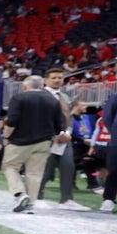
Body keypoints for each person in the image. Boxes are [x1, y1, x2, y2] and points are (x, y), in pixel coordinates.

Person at [0, 74, 63, 213]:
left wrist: (6, 136)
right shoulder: (53, 100)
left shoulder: (19, 98)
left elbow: (12, 120)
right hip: (44, 141)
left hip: (19, 141)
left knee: (10, 166)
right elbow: (60, 124)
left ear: (25, 86)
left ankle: (19, 193)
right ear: (42, 85)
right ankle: (30, 204)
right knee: (35, 173)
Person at [36, 67, 86, 209]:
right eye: (54, 77)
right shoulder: (40, 95)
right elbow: (40, 118)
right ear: (46, 80)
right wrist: (54, 134)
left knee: (68, 166)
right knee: (45, 168)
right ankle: (37, 196)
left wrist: (68, 133)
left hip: (64, 138)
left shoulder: (64, 96)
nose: (57, 80)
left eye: (60, 77)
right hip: (46, 137)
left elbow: (68, 118)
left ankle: (66, 199)